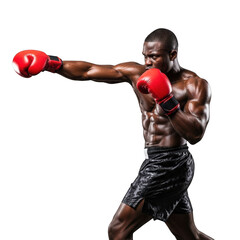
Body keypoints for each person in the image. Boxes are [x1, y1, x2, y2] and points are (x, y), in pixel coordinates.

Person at [12, 28, 213, 240]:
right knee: (190, 236)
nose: (147, 62)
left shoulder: (195, 85)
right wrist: (51, 64)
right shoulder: (138, 74)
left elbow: (195, 134)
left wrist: (167, 101)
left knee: (118, 230)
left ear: (173, 55)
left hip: (170, 165)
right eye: (144, 56)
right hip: (157, 161)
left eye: (154, 57)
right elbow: (88, 71)